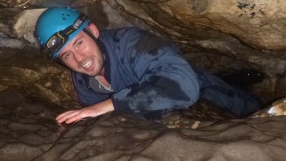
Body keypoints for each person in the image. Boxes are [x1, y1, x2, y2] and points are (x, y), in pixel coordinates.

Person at [34, 7, 261, 125]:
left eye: (79, 43)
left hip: (202, 89)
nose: (79, 59)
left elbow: (184, 85)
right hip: (173, 113)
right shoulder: (84, 83)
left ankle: (235, 81)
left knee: (255, 110)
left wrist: (107, 105)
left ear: (93, 31)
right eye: (66, 56)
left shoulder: (132, 43)